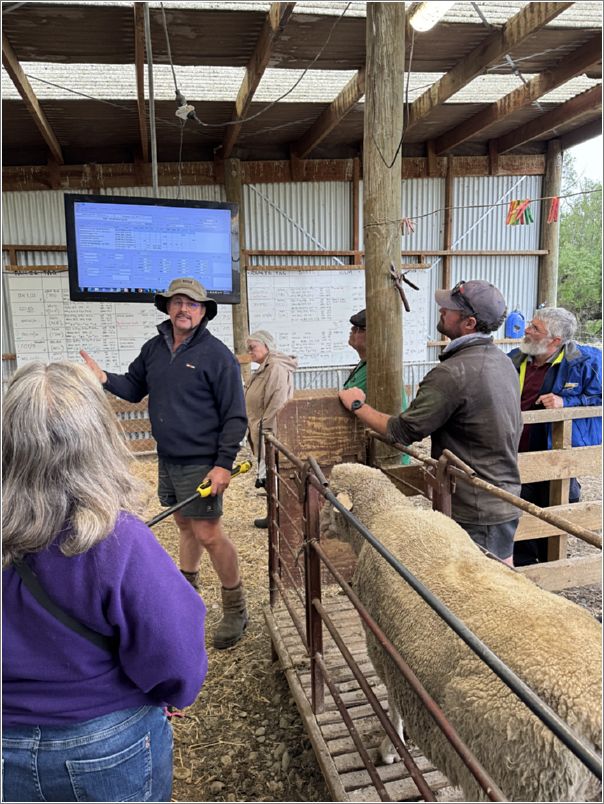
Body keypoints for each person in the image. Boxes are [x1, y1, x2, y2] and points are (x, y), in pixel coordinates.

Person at [2, 361, 207, 803]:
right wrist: (172, 693)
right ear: (96, 439)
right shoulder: (117, 540)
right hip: (103, 743)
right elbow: (175, 651)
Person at [81, 277, 248, 650]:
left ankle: (236, 607)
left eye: (192, 303)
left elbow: (235, 416)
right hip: (168, 457)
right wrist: (104, 378)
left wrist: (223, 464)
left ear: (203, 311)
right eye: (177, 302)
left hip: (201, 460)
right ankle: (186, 597)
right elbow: (133, 388)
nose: (183, 309)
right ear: (167, 308)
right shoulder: (154, 349)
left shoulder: (216, 355)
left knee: (208, 533)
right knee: (185, 526)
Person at [339, 280, 523, 566]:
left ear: (469, 323)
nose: (442, 310)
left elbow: (403, 431)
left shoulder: (453, 372)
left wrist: (357, 405)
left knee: (478, 587)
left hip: (473, 503)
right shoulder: (502, 362)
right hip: (500, 495)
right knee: (498, 577)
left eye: (449, 308)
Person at [509, 306, 602, 566]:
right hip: (517, 449)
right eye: (530, 324)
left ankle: (550, 562)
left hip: (557, 453)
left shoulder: (586, 362)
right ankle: (525, 567)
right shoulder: (515, 358)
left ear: (556, 341)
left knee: (560, 502)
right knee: (518, 503)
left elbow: (599, 398)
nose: (526, 329)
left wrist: (567, 402)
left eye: (535, 328)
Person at [245, 330, 298, 528]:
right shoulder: (264, 367)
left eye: (253, 347)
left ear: (267, 346)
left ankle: (279, 516)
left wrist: (266, 430)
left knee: (272, 472)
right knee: (268, 472)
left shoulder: (275, 368)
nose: (249, 351)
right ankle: (274, 514)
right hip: (261, 428)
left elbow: (277, 403)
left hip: (270, 430)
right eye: (248, 348)